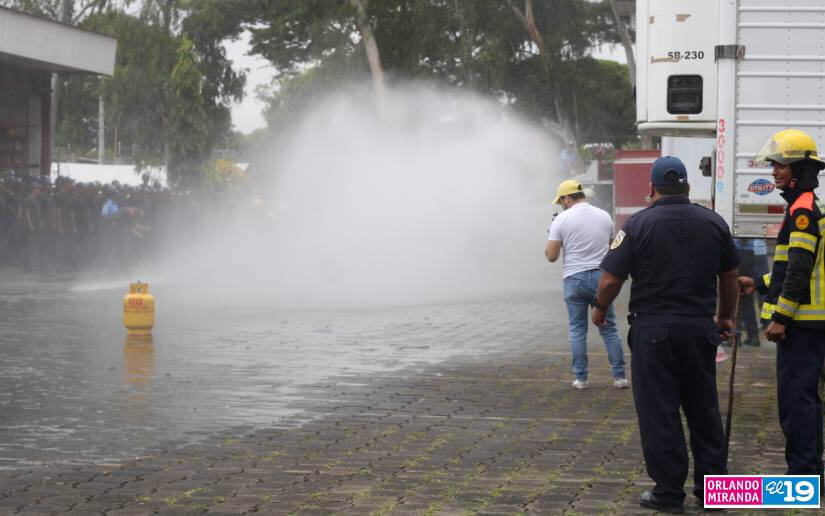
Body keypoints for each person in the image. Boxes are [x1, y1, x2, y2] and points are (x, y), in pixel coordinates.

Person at [592, 156, 739, 513]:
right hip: (699, 330)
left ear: (652, 189)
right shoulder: (714, 222)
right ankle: (715, 493)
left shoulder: (637, 224)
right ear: (687, 186)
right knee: (704, 410)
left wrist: (599, 308)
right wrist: (724, 317)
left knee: (660, 413)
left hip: (653, 332)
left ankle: (669, 493)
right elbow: (730, 276)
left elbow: (610, 280)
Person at [739, 129, 825, 489]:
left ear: (800, 169)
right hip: (809, 323)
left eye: (781, 165)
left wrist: (781, 317)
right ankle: (810, 471)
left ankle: (803, 476)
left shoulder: (802, 210)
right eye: (773, 165)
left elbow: (799, 271)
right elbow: (791, 265)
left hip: (802, 324)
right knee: (803, 398)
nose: (774, 172)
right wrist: (759, 284)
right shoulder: (804, 205)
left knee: (796, 400)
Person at [546, 179, 627, 390]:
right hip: (601, 278)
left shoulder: (560, 220)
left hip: (574, 279)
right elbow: (612, 248)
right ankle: (620, 377)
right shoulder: (604, 216)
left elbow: (552, 256)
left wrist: (552, 234)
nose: (560, 205)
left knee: (577, 330)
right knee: (609, 328)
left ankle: (581, 379)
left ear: (566, 199)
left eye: (560, 201)